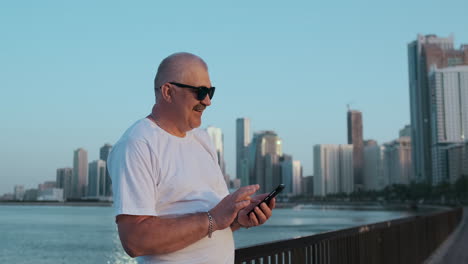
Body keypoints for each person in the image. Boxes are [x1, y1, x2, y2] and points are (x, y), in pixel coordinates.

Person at [107, 52, 276, 263]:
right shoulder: (137, 144)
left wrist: (239, 218)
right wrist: (213, 218)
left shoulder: (202, 140)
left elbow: (214, 222)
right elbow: (135, 240)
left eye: (210, 92)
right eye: (200, 91)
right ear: (168, 92)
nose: (207, 101)